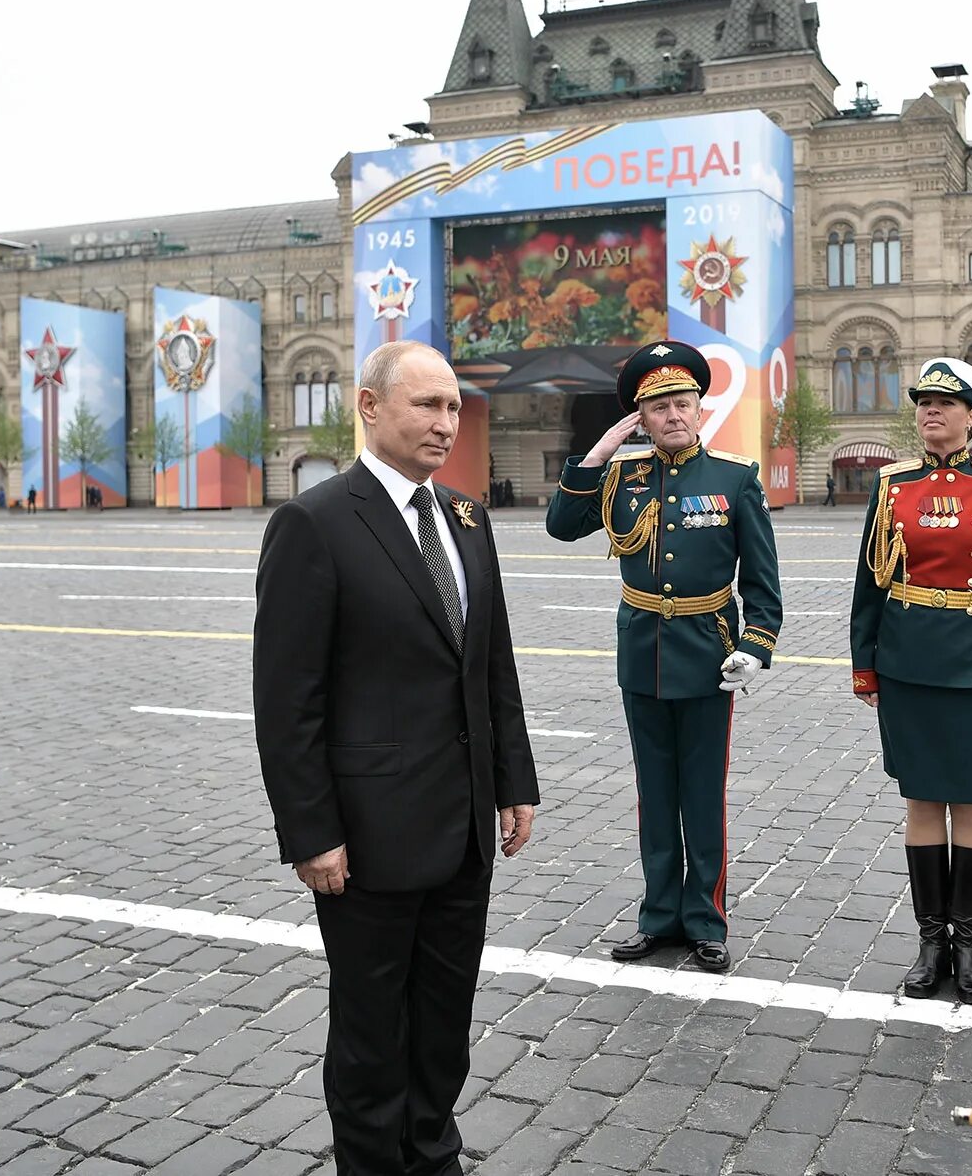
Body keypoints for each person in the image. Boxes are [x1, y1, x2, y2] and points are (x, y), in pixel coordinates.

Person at [254, 340, 539, 1174]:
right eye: (426, 405)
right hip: (370, 836)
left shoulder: (465, 517)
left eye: (453, 407)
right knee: (373, 1031)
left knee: (445, 1020)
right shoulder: (314, 521)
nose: (445, 423)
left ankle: (432, 1151)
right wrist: (311, 830)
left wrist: (514, 779)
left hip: (462, 828)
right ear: (370, 407)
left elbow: (492, 663)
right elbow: (287, 697)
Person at [546, 340, 782, 973]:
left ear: (701, 410)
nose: (673, 416)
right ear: (641, 420)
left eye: (683, 404)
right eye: (659, 409)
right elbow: (561, 526)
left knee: (703, 794)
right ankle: (658, 916)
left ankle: (705, 920)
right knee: (656, 793)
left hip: (709, 655)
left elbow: (762, 581)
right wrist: (596, 455)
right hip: (643, 655)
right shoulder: (621, 477)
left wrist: (756, 647)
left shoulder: (735, 480)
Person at [849, 357, 972, 1003]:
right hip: (908, 661)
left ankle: (971, 945)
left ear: (971, 415)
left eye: (945, 403)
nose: (932, 411)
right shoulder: (891, 484)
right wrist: (863, 661)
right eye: (925, 402)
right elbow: (869, 583)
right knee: (923, 801)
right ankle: (932, 942)